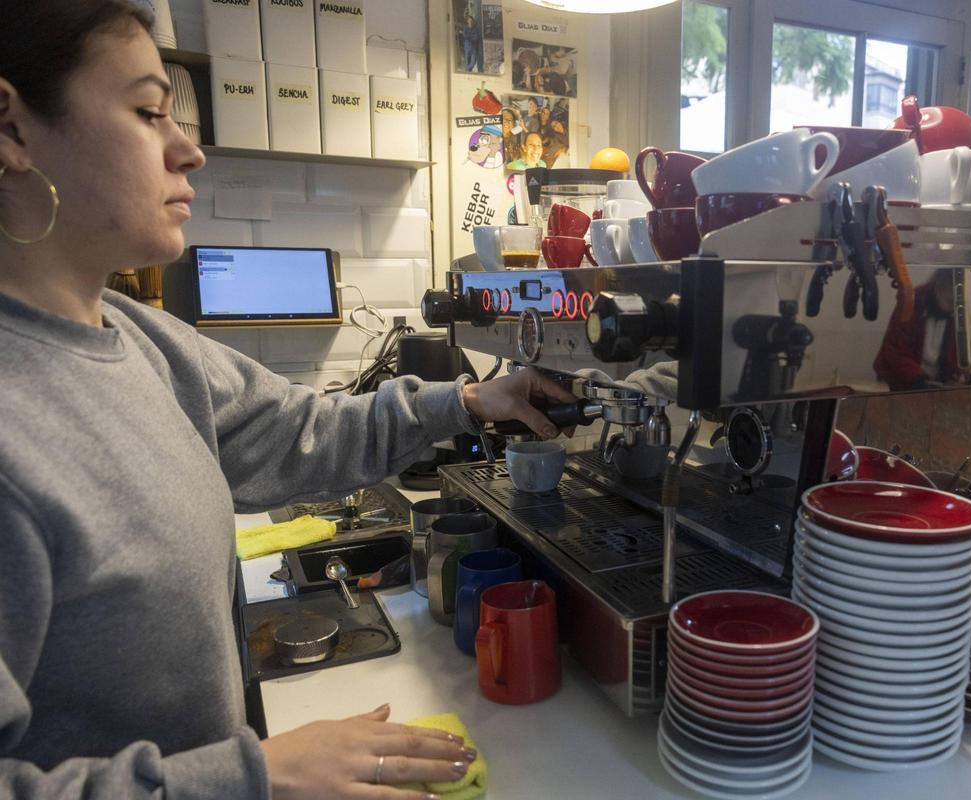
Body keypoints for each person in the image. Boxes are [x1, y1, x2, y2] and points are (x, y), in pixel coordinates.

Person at [0, 2, 575, 798]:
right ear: (12, 130)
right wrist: (257, 776)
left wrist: (474, 399)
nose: (189, 150)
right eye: (148, 112)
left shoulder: (143, 339)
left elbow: (300, 430)